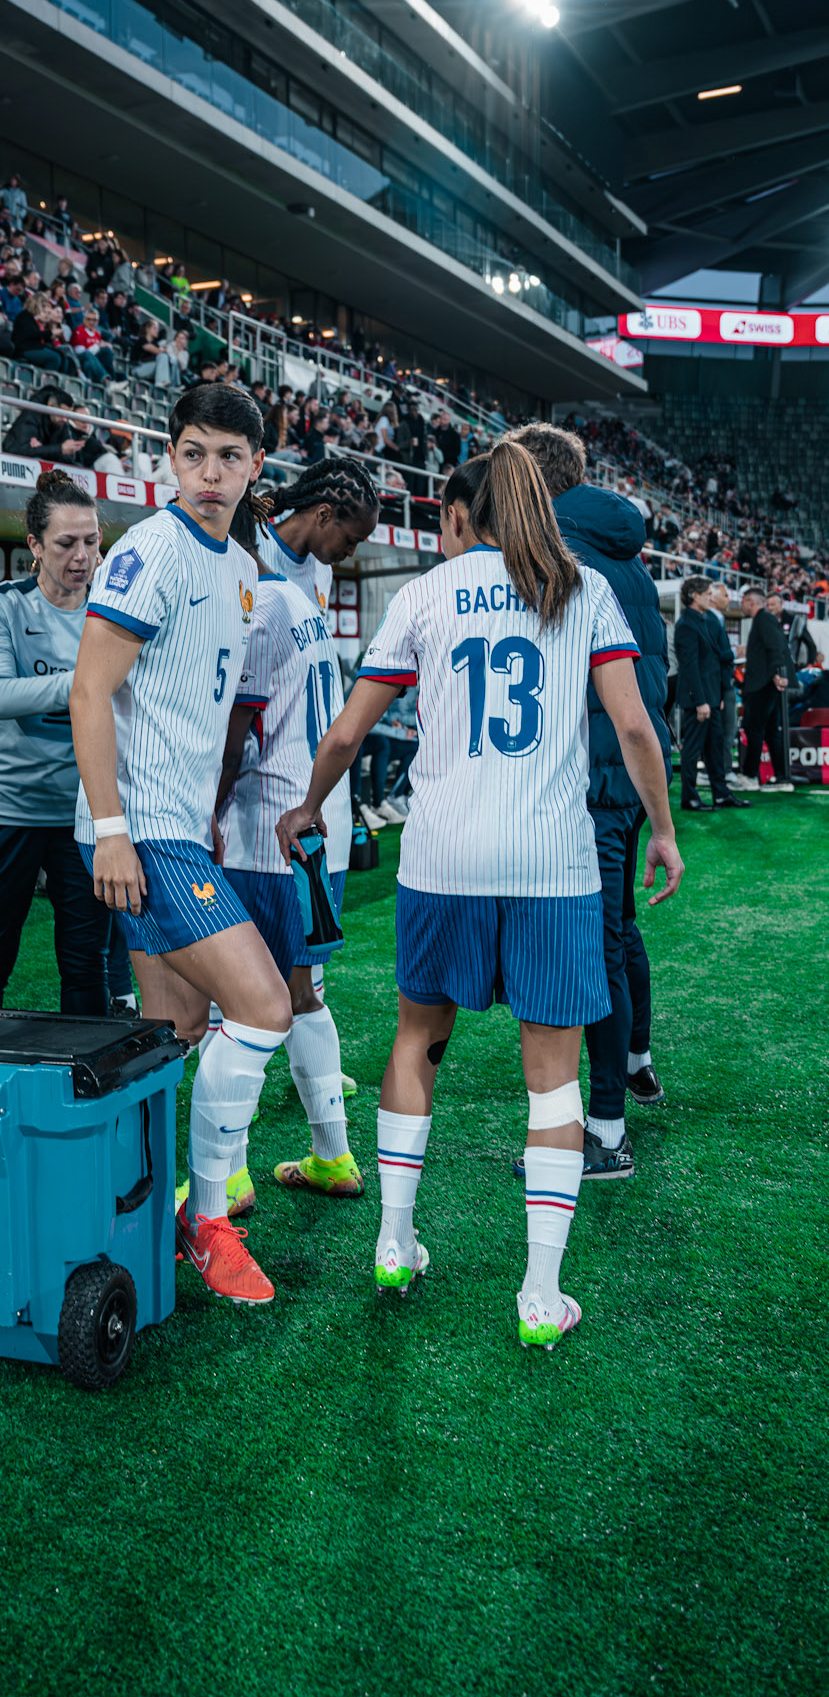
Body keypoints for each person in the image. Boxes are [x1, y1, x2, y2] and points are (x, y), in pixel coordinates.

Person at [276, 440, 683, 1350]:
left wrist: (307, 806)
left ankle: (392, 1241)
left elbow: (347, 734)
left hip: (441, 860)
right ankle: (539, 1295)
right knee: (551, 1077)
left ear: (468, 512)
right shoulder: (583, 589)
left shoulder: (428, 592)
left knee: (417, 1040)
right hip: (552, 867)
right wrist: (661, 829)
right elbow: (631, 724)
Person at [70, 383, 294, 1308]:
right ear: (169, 456)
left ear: (254, 467)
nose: (210, 475)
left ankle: (155, 1218)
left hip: (175, 826)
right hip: (142, 832)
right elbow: (89, 693)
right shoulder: (149, 554)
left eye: (229, 458)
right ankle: (209, 1220)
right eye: (194, 454)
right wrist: (114, 832)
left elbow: (191, 709)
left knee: (178, 1036)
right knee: (266, 1005)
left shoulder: (239, 567)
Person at [512, 423, 675, 1179]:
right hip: (631, 774)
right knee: (620, 930)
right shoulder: (628, 558)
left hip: (591, 775)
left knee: (596, 950)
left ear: (533, 482)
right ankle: (636, 1059)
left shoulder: (557, 550)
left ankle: (604, 1130)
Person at [210, 496, 362, 1218]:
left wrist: (203, 815)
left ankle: (228, 1177)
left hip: (262, 832)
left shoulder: (257, 605)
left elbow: (237, 731)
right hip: (310, 827)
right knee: (303, 995)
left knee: (235, 1004)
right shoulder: (298, 600)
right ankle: (331, 1154)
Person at [0, 470, 113, 1013]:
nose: (82, 556)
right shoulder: (3, 605)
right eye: (66, 543)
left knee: (85, 963)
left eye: (92, 542)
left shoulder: (113, 610)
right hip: (7, 808)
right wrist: (88, 682)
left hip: (83, 811)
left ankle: (87, 1091)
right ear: (34, 544)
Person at [257, 457, 380, 617]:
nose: (352, 553)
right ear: (323, 515)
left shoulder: (323, 571)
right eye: (351, 541)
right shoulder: (250, 549)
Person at [675, 579, 746, 813]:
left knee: (715, 747)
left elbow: (712, 662)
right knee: (693, 749)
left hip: (712, 698)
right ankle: (690, 797)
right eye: (707, 594)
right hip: (700, 701)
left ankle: (721, 794)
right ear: (694, 596)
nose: (711, 597)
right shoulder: (686, 624)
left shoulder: (705, 621)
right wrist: (700, 701)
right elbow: (690, 667)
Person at [739, 588, 794, 792]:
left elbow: (776, 648)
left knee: (756, 730)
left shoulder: (764, 619)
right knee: (770, 732)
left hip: (763, 685)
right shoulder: (764, 620)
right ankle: (781, 777)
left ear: (750, 601)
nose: (741, 605)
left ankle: (750, 776)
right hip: (765, 683)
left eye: (744, 601)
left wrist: (777, 674)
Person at [707, 582, 740, 794]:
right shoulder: (710, 621)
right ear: (713, 597)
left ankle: (721, 770)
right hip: (719, 687)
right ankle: (724, 770)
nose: (729, 599)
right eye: (726, 595)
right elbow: (717, 657)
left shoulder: (715, 620)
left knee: (726, 730)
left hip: (722, 685)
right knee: (725, 731)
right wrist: (734, 653)